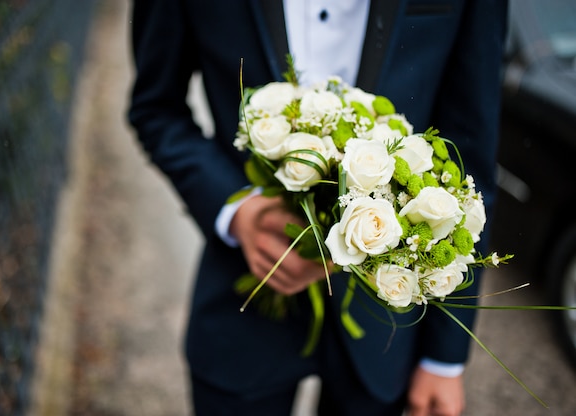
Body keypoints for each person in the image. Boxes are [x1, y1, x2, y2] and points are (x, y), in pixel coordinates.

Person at [127, 1, 507, 415]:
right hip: (242, 308)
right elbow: (156, 108)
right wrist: (235, 210)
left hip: (384, 333)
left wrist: (443, 360)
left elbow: (470, 151)